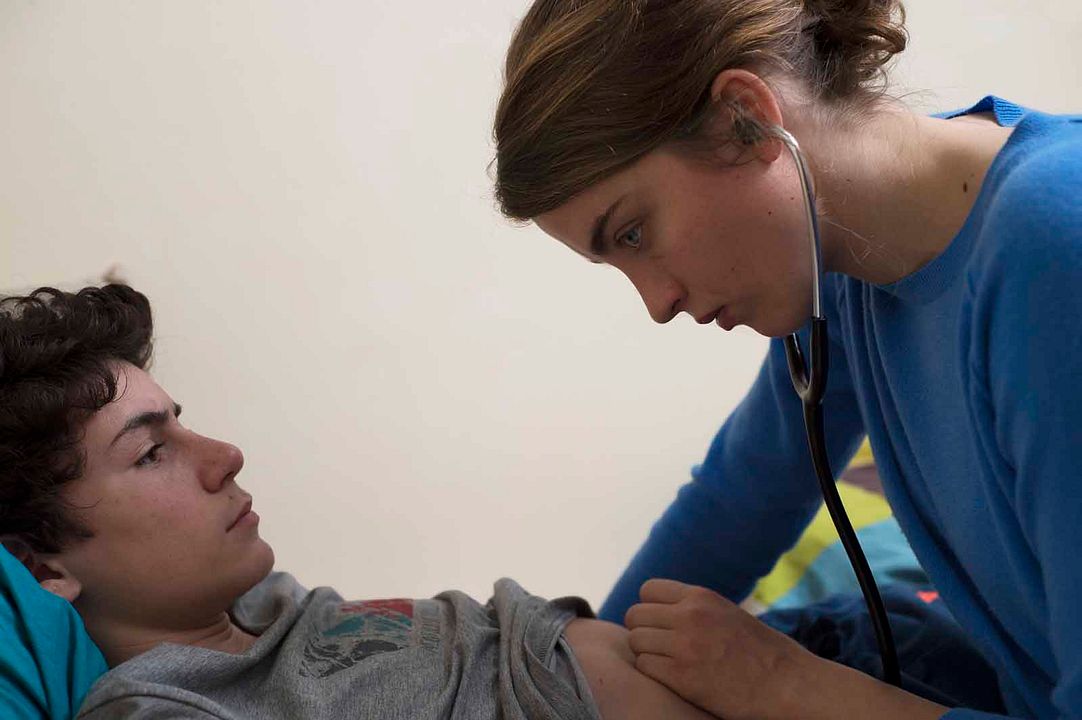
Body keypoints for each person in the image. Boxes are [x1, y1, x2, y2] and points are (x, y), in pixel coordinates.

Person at [492, 1, 1082, 719]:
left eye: (636, 232)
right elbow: (741, 500)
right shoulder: (849, 268)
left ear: (745, 119)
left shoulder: (1054, 243)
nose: (656, 302)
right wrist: (585, 678)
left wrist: (787, 686)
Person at [0, 284, 723, 720]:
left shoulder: (265, 610)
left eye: (183, 423)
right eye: (153, 452)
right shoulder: (165, 707)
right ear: (41, 568)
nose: (224, 457)